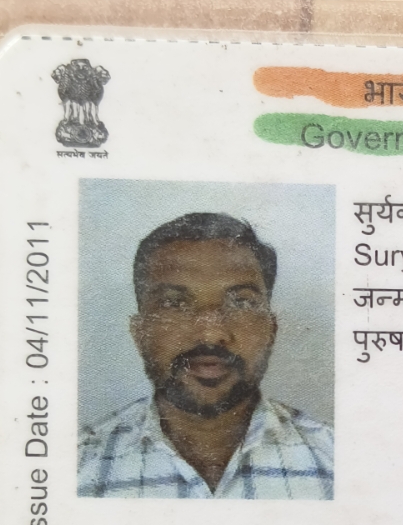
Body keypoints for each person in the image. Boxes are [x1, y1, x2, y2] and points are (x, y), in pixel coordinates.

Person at [78, 212, 334, 498]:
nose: (210, 335)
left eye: (240, 303)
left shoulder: (338, 461)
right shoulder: (73, 468)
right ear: (140, 333)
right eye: (174, 304)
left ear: (270, 330)